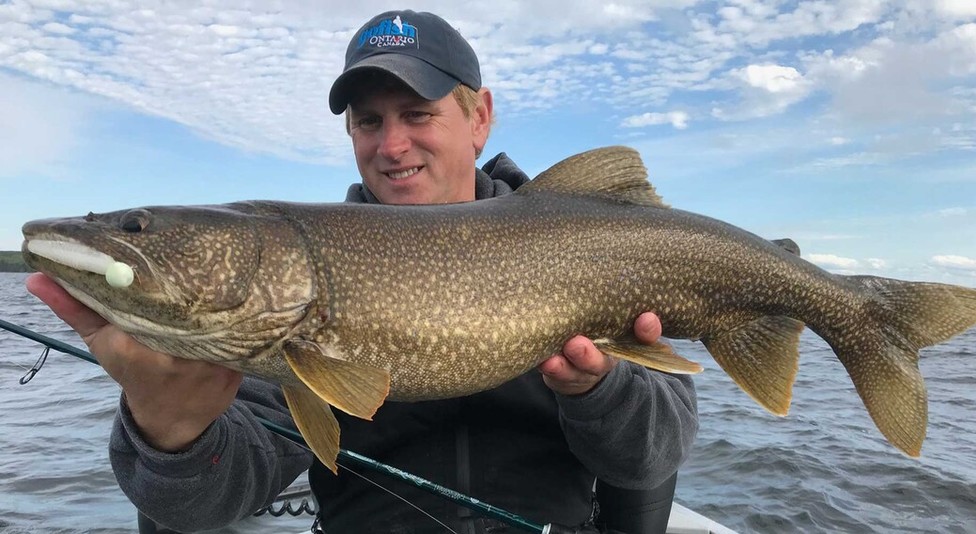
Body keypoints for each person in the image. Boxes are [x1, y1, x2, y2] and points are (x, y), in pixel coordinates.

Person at [26, 10, 699, 534]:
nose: (392, 144)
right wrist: (171, 433)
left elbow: (653, 457)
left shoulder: (592, 245)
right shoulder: (282, 302)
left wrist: (600, 390)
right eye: (368, 121)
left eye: (418, 114)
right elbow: (206, 503)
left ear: (480, 118)